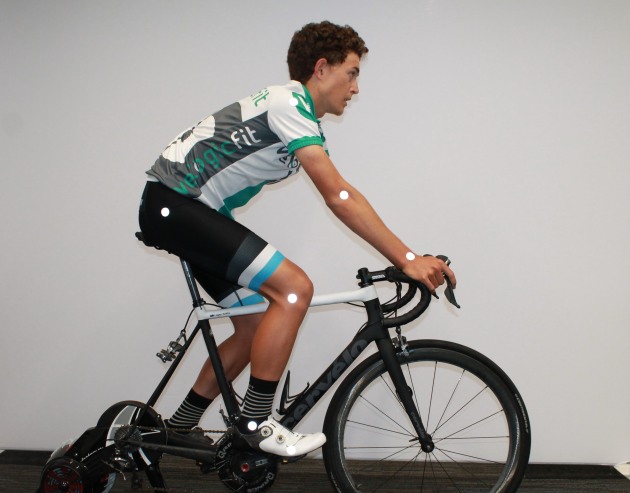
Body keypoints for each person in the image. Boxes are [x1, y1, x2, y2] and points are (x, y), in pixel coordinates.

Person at [138, 21, 456, 459]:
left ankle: (178, 427)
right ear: (321, 68)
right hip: (176, 204)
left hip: (186, 210)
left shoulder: (299, 116)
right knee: (294, 289)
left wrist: (407, 256)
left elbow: (343, 194)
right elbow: (339, 196)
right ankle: (255, 422)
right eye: (352, 73)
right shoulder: (289, 102)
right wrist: (407, 258)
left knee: (254, 324)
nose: (356, 88)